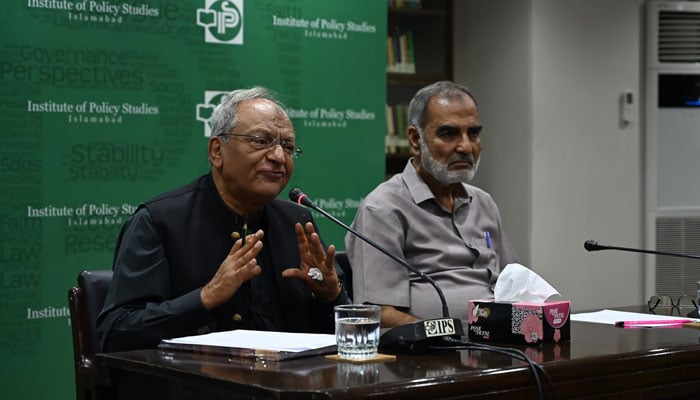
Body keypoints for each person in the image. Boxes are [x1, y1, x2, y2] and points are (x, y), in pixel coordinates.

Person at [97, 87, 350, 352]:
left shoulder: (297, 220)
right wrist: (206, 297)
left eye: (287, 146)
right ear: (217, 151)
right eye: (261, 141)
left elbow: (335, 338)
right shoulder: (159, 221)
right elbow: (114, 332)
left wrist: (330, 295)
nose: (278, 157)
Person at [346, 80, 518, 328]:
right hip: (430, 357)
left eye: (473, 133)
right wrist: (450, 336)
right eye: (449, 134)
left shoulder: (483, 202)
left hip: (499, 341)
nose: (466, 146)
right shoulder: (383, 209)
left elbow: (515, 284)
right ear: (415, 139)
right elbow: (379, 314)